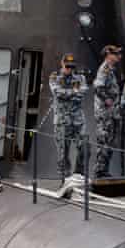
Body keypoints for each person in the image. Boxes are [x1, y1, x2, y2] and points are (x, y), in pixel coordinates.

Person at [49, 53, 88, 181]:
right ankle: (65, 180)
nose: (69, 69)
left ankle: (78, 175)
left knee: (84, 147)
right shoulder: (55, 77)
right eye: (67, 66)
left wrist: (68, 93)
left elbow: (82, 93)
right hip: (62, 121)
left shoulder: (80, 78)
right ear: (62, 64)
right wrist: (74, 92)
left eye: (72, 67)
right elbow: (57, 93)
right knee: (63, 153)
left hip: (78, 121)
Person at [92, 45, 122, 178]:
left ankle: (104, 169)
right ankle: (99, 170)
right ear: (108, 55)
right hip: (105, 113)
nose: (117, 56)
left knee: (110, 142)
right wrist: (107, 100)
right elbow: (98, 88)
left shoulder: (111, 69)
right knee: (104, 141)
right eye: (115, 54)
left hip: (112, 113)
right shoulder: (104, 69)